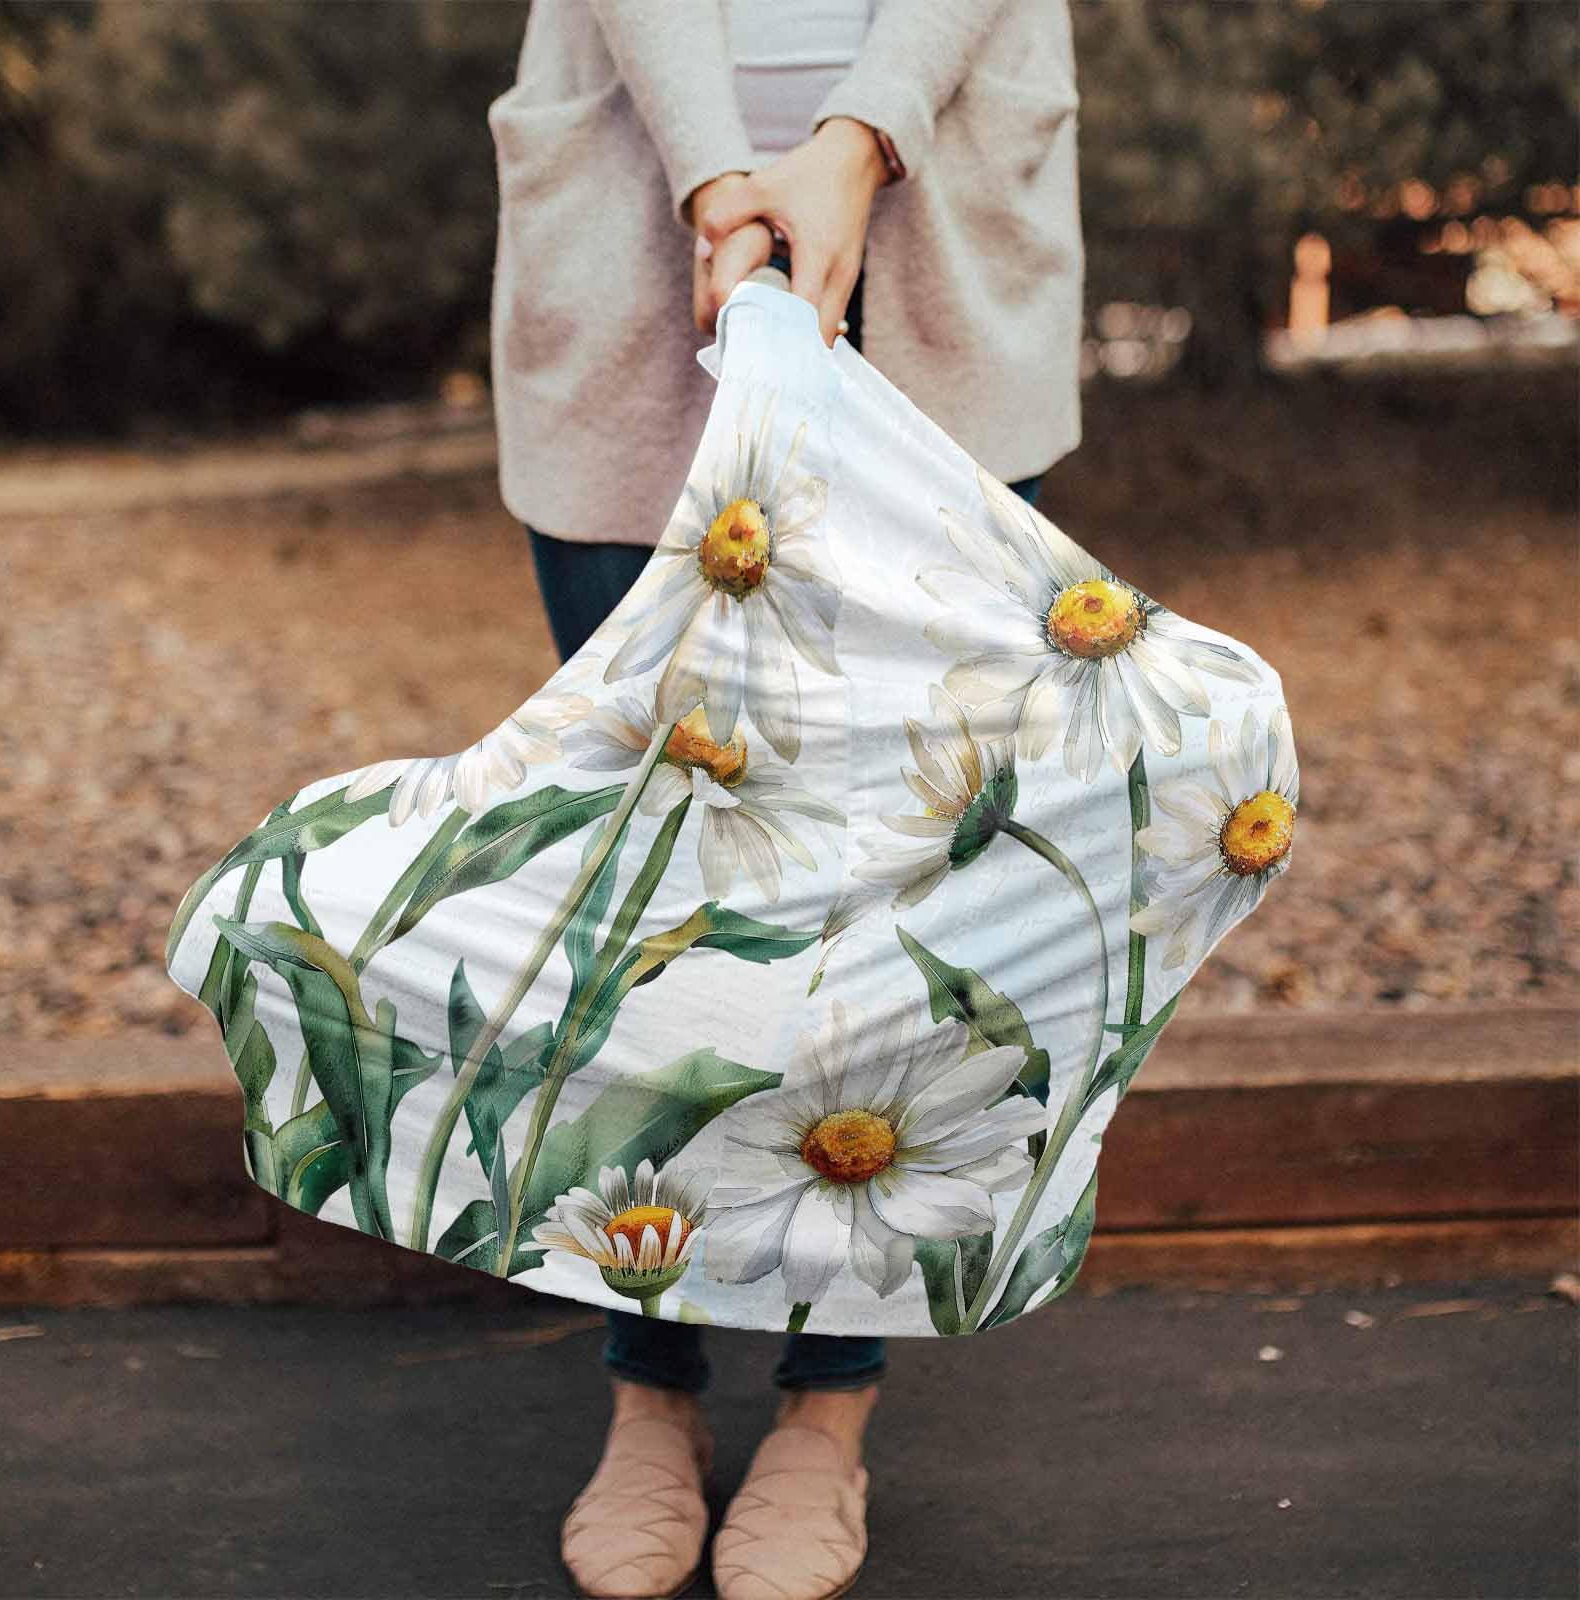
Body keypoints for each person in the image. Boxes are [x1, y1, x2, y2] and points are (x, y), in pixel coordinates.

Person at [485, 4, 1083, 1596]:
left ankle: (829, 1407)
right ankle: (651, 1388)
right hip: (637, 214)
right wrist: (714, 178)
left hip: (940, 216)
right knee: (653, 878)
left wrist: (856, 137)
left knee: (895, 887)